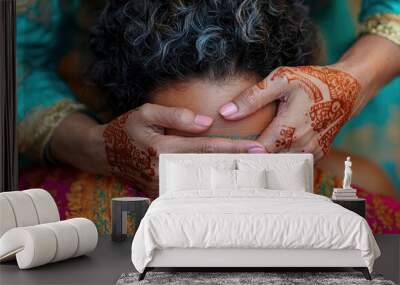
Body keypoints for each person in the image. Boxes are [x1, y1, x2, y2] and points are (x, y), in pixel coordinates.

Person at [17, 0, 400, 234]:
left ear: (297, 122)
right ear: (137, 137)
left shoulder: (366, 198)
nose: (228, 195)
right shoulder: (53, 210)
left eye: (256, 152)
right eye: (194, 157)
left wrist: (357, 75)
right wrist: (87, 143)